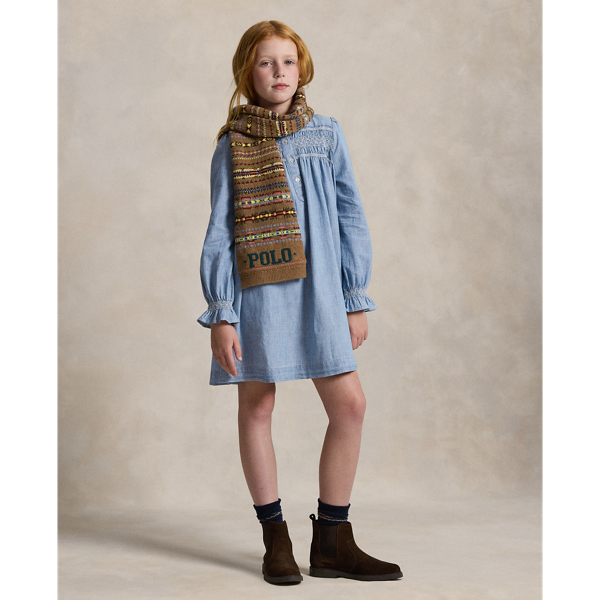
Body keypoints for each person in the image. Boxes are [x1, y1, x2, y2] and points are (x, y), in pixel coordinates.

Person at [198, 20, 402, 585]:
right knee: (258, 406)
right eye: (266, 62)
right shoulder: (232, 144)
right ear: (249, 72)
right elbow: (220, 229)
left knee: (350, 406)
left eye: (288, 61)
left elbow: (350, 214)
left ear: (301, 68)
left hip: (320, 292)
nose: (279, 72)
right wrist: (222, 312)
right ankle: (275, 539)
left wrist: (354, 296)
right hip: (257, 293)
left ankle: (332, 540)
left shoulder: (327, 135)